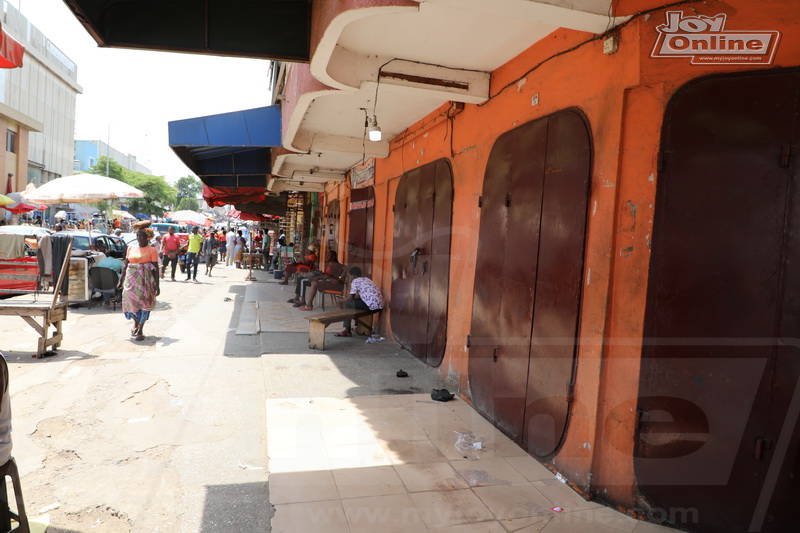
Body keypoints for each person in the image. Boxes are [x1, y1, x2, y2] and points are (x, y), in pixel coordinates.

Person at [117, 229, 160, 341]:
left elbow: (155, 269)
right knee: (131, 303)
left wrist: (157, 285)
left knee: (145, 304)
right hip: (131, 281)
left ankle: (140, 329)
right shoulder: (131, 247)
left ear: (148, 237)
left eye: (141, 236)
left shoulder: (152, 250)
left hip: (146, 281)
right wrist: (120, 279)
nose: (139, 238)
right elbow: (126, 265)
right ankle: (136, 322)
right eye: (138, 236)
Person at [333, 266, 384, 337]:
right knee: (352, 303)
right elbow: (361, 296)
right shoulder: (367, 279)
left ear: (353, 276)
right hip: (379, 306)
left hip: (371, 306)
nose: (349, 278)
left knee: (347, 304)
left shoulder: (355, 281)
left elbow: (350, 298)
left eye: (349, 276)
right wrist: (347, 298)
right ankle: (357, 326)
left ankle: (347, 330)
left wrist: (340, 301)